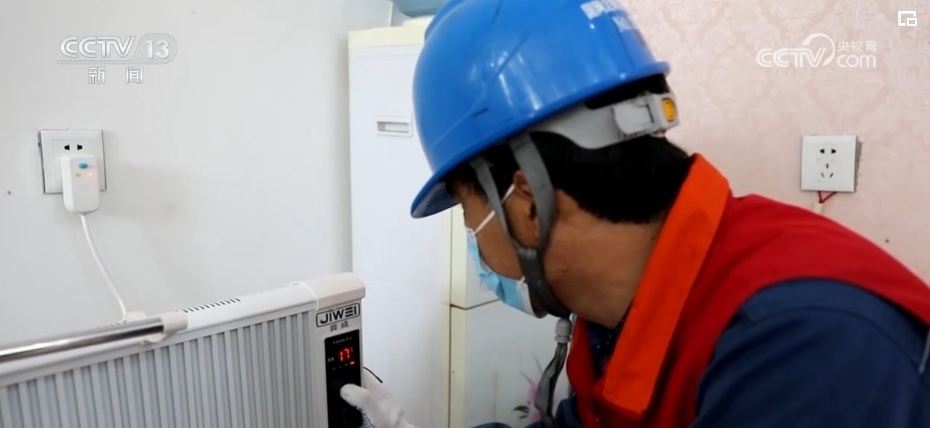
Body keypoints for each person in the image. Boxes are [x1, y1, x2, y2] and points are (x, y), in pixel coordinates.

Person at [340, 0, 930, 426]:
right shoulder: (621, 314)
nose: (473, 235)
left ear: (527, 203)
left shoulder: (805, 350)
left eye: (467, 213)